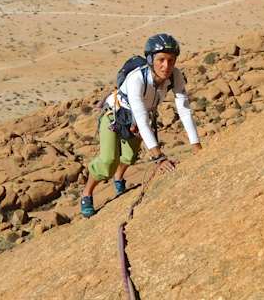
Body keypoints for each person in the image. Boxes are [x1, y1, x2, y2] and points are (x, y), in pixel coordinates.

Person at [80, 33, 201, 218]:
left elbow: (184, 110)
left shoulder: (176, 76)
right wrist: (159, 158)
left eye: (171, 60)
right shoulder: (137, 78)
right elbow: (142, 119)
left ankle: (119, 179)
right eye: (161, 60)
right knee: (108, 162)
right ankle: (87, 193)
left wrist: (196, 147)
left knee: (129, 157)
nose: (166, 66)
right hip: (115, 116)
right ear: (151, 59)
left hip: (140, 118)